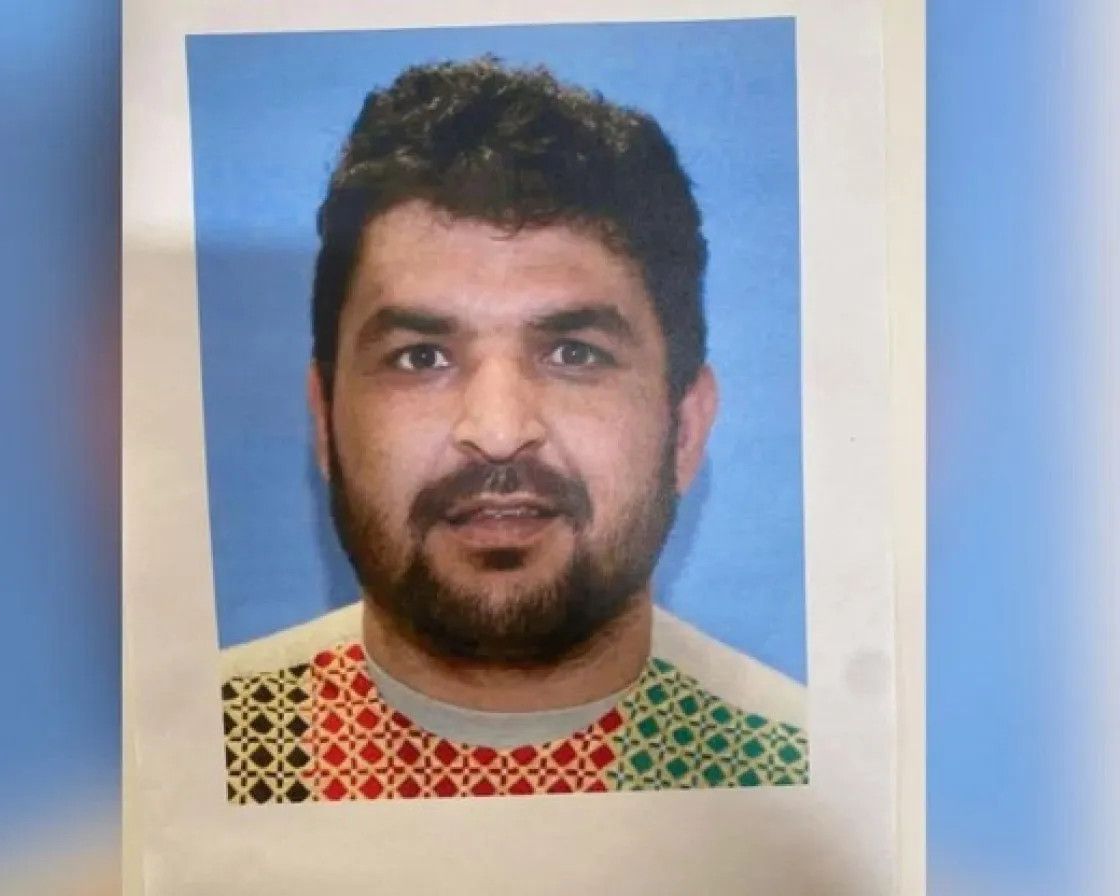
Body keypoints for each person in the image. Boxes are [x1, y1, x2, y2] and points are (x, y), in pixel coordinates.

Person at [220, 57, 807, 803]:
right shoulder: (181, 760)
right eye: (422, 356)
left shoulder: (811, 780)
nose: (498, 432)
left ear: (685, 429)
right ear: (325, 421)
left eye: (574, 354)